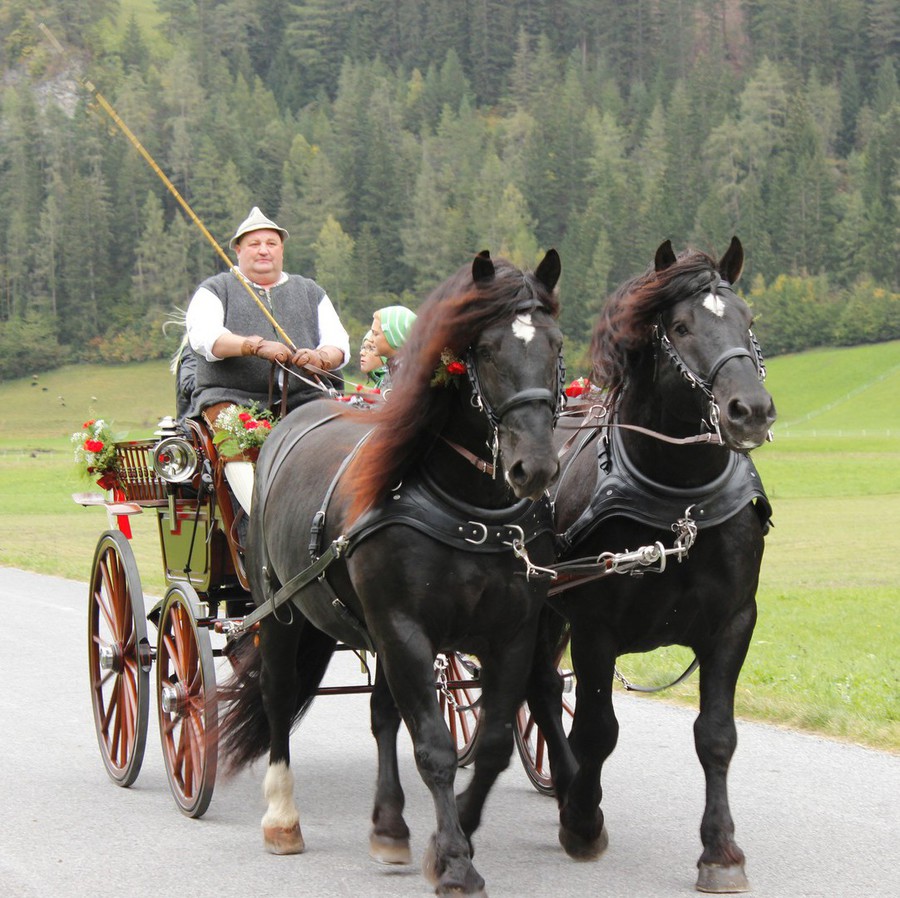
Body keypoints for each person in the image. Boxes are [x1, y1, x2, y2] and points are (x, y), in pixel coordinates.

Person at [184, 206, 350, 512]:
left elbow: (339, 344)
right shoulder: (215, 290)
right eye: (254, 244)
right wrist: (254, 346)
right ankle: (262, 517)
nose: (263, 251)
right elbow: (206, 338)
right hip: (231, 398)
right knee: (234, 437)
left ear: (282, 249)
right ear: (238, 250)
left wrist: (319, 357)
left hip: (304, 397)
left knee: (341, 432)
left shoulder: (310, 291)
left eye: (271, 244)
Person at [369, 305, 417, 394]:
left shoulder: (408, 372)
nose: (371, 339)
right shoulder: (394, 366)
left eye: (375, 334)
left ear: (394, 336)